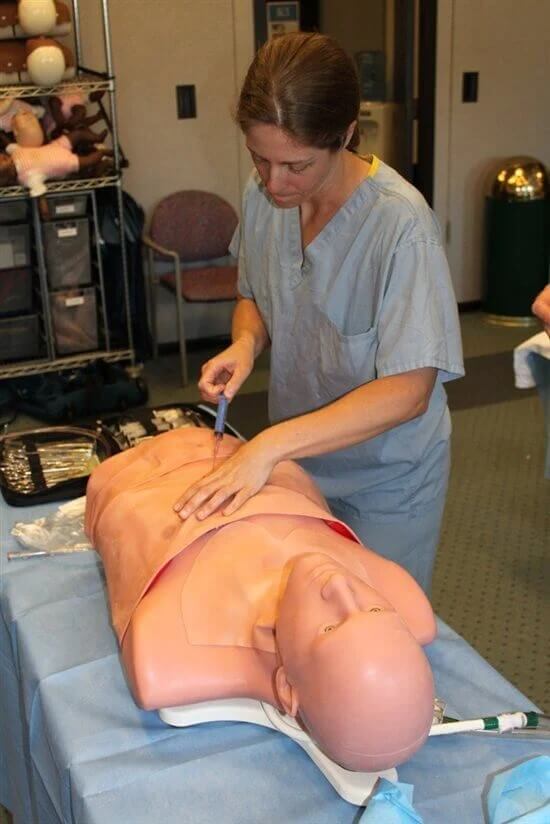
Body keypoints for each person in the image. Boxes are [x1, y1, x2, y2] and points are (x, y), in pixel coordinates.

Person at [173, 32, 464, 593]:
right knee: (304, 616)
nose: (275, 182)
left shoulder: (400, 227)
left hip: (388, 479)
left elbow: (409, 390)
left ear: (347, 134)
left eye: (296, 165)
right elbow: (256, 292)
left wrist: (270, 445)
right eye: (260, 158)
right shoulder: (264, 196)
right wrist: (245, 344)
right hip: (302, 462)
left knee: (377, 627)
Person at [86, 427, 437, 772]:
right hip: (245, 450)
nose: (340, 585)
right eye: (375, 608)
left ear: (286, 687)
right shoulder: (405, 599)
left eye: (331, 626)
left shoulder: (166, 649)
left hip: (138, 473)